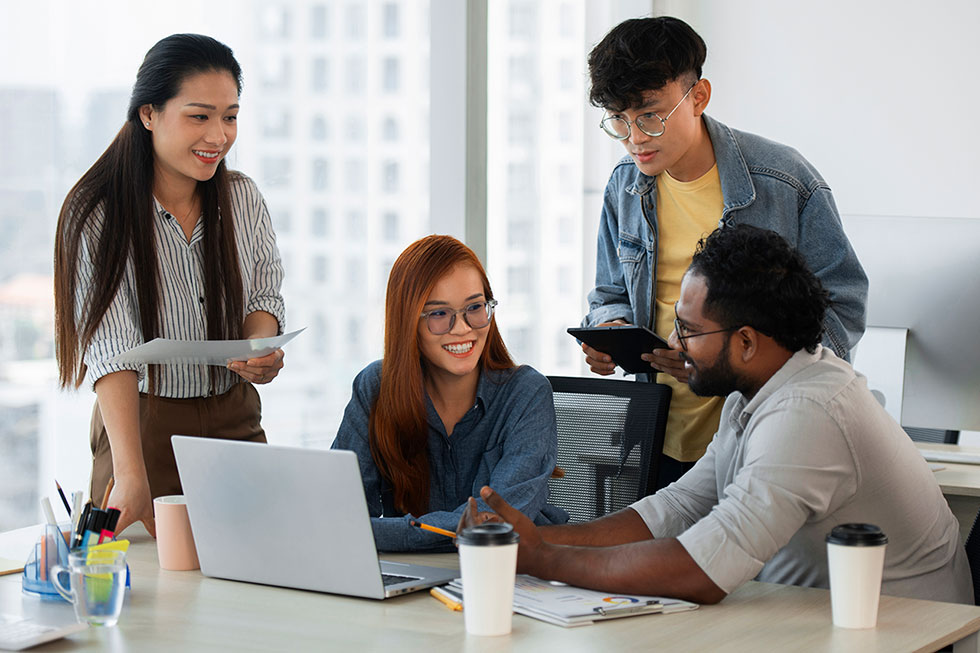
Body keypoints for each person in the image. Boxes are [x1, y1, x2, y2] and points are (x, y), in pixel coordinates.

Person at [478, 225, 971, 605]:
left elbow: (704, 569)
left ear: (747, 341)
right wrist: (532, 539)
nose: (674, 345)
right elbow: (676, 509)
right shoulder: (752, 393)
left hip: (904, 635)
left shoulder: (808, 411)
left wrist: (546, 560)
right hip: (812, 621)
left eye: (689, 331)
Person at [580, 16, 869, 487]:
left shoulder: (784, 181)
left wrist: (729, 359)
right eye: (619, 120)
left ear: (698, 97)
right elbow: (610, 289)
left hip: (763, 435)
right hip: (658, 435)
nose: (635, 138)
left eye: (650, 115)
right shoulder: (624, 187)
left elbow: (843, 306)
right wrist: (610, 328)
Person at [54, 34, 285, 536]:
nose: (219, 136)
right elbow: (112, 350)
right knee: (144, 599)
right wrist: (130, 473)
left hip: (234, 418)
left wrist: (260, 345)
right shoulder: (96, 212)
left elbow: (264, 296)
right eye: (199, 116)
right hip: (140, 427)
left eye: (230, 116)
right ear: (149, 114)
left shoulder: (243, 199)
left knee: (255, 583)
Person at [332, 235, 567, 552]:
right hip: (413, 576)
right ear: (407, 322)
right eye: (439, 314)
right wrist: (360, 531)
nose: (462, 328)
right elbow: (339, 512)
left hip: (512, 574)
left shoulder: (526, 394)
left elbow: (492, 524)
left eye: (474, 307)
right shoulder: (375, 386)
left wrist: (381, 533)